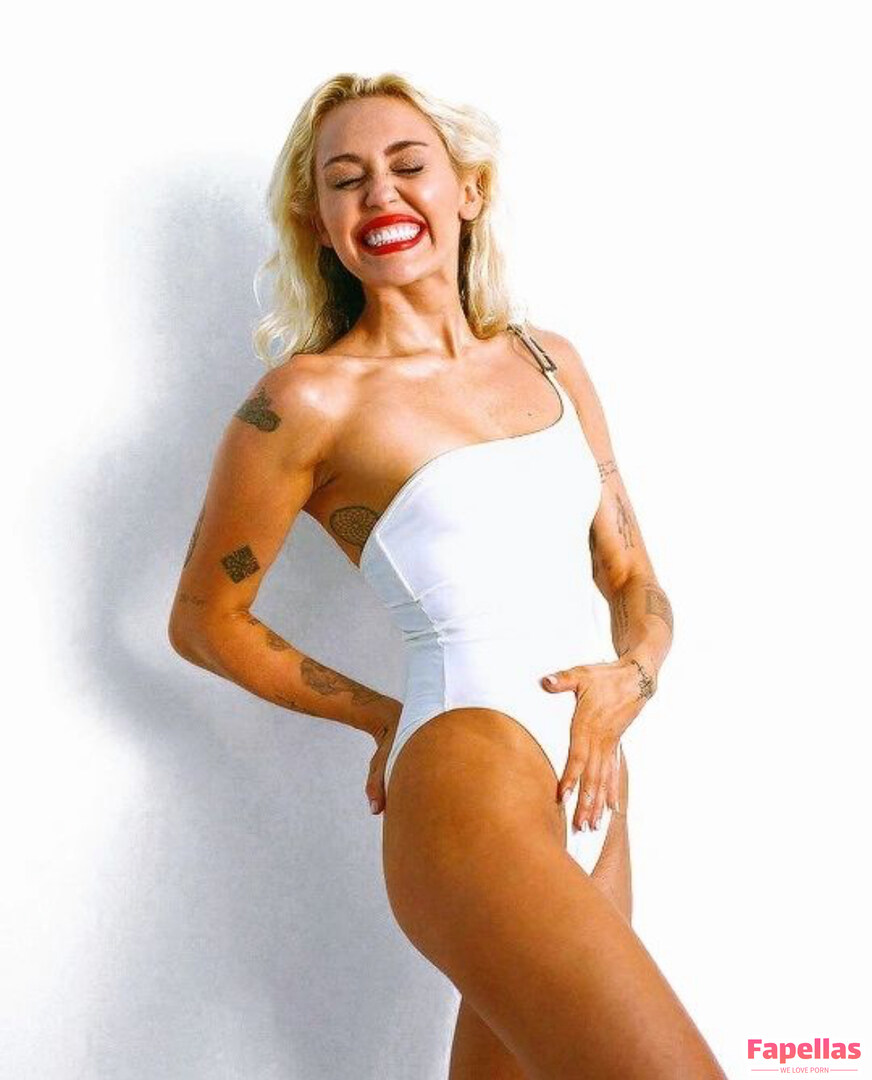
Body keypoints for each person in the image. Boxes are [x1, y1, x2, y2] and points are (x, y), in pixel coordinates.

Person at [168, 72, 726, 1080]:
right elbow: (207, 619)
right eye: (346, 180)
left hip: (591, 782)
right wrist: (384, 717)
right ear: (321, 224)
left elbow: (630, 574)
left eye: (406, 164)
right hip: (468, 772)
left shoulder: (549, 361)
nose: (379, 193)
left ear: (466, 189)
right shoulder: (307, 400)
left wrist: (632, 677)